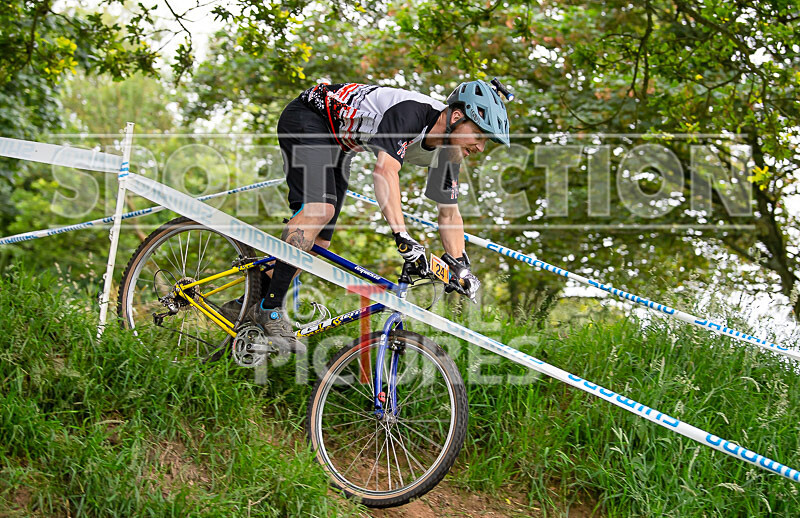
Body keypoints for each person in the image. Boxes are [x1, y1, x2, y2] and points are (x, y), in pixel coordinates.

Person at [223, 79, 511, 353]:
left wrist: (460, 267)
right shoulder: (412, 113)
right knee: (318, 211)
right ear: (456, 116)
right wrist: (402, 236)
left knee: (318, 243)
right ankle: (271, 310)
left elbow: (448, 214)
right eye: (479, 135)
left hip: (341, 144)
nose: (480, 147)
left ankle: (245, 303)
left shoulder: (449, 152)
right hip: (309, 117)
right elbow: (385, 171)